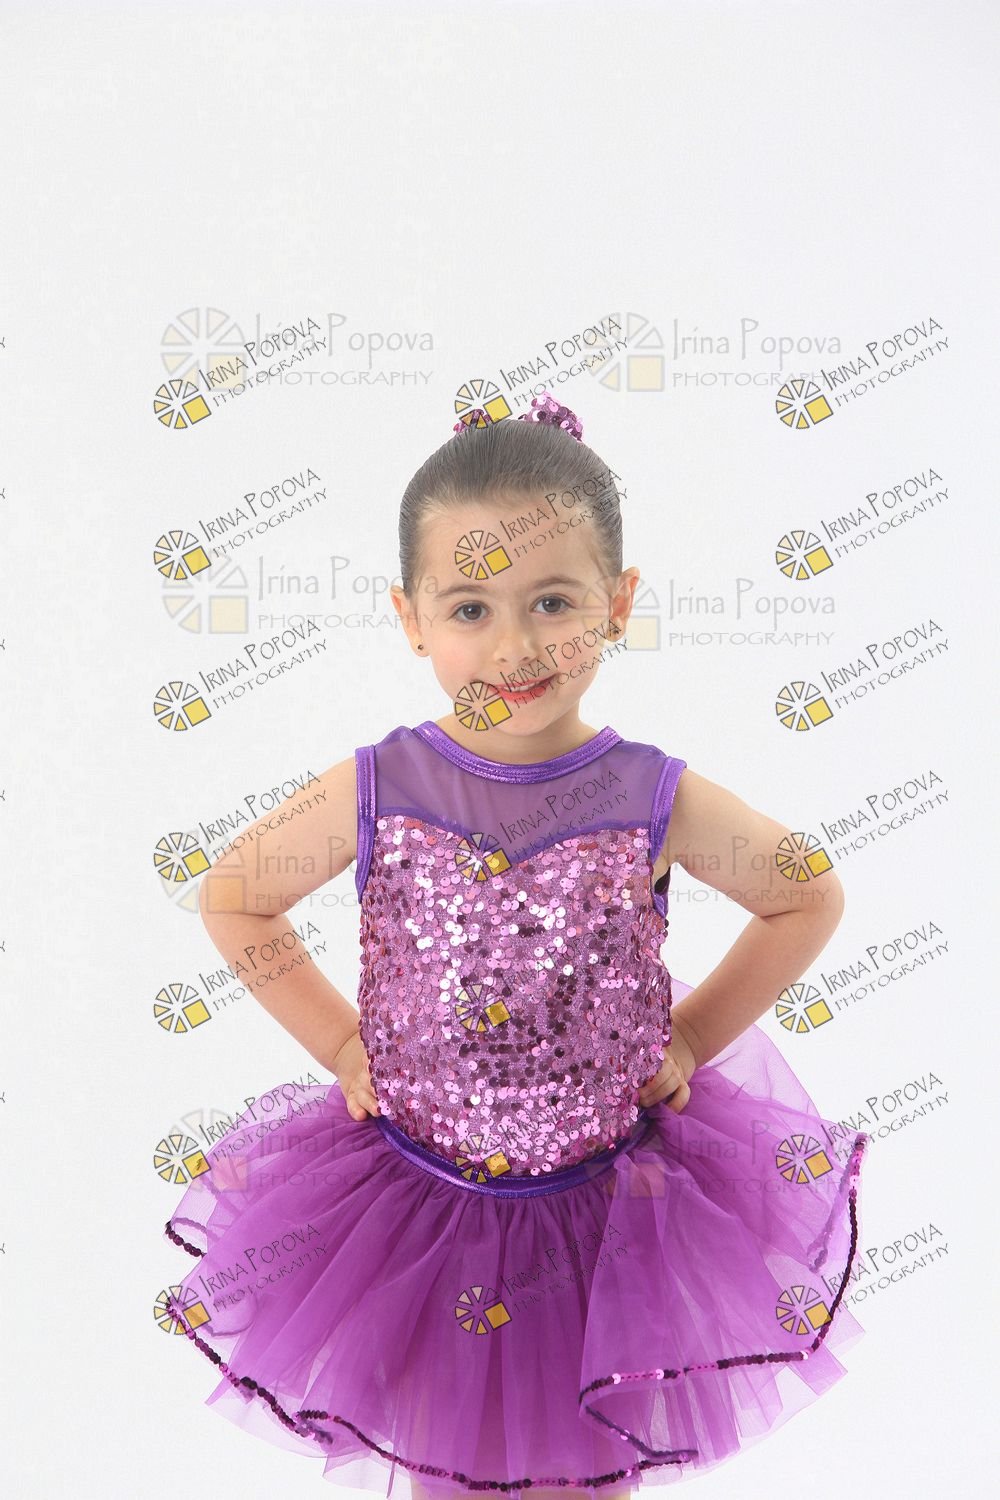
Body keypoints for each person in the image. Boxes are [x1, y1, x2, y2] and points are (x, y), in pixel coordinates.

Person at [163, 392, 870, 1500]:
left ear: (617, 602)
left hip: (606, 1219)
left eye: (552, 602)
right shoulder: (380, 783)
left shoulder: (649, 792)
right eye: (469, 608)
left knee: (589, 1470)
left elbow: (805, 896)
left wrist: (690, 1037)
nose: (516, 646)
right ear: (410, 618)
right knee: (450, 1462)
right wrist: (343, 1047)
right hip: (421, 1211)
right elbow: (235, 899)